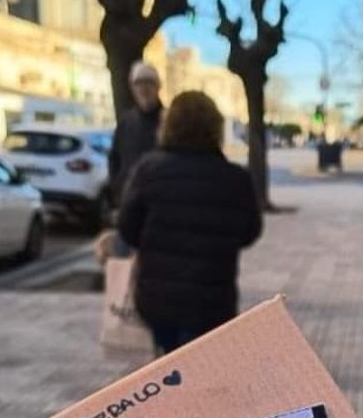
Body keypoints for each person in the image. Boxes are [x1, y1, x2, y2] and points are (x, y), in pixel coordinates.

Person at [117, 91, 263, 354]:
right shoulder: (235, 179)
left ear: (168, 125)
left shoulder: (148, 170)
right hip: (212, 300)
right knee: (205, 370)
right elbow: (250, 232)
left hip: (157, 298)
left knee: (168, 369)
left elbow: (128, 229)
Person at [108, 61, 164, 209]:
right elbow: (114, 158)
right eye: (138, 83)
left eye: (149, 82)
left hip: (159, 201)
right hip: (128, 200)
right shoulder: (126, 122)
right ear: (132, 88)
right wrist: (117, 189)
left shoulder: (169, 121)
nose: (143, 88)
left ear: (158, 86)